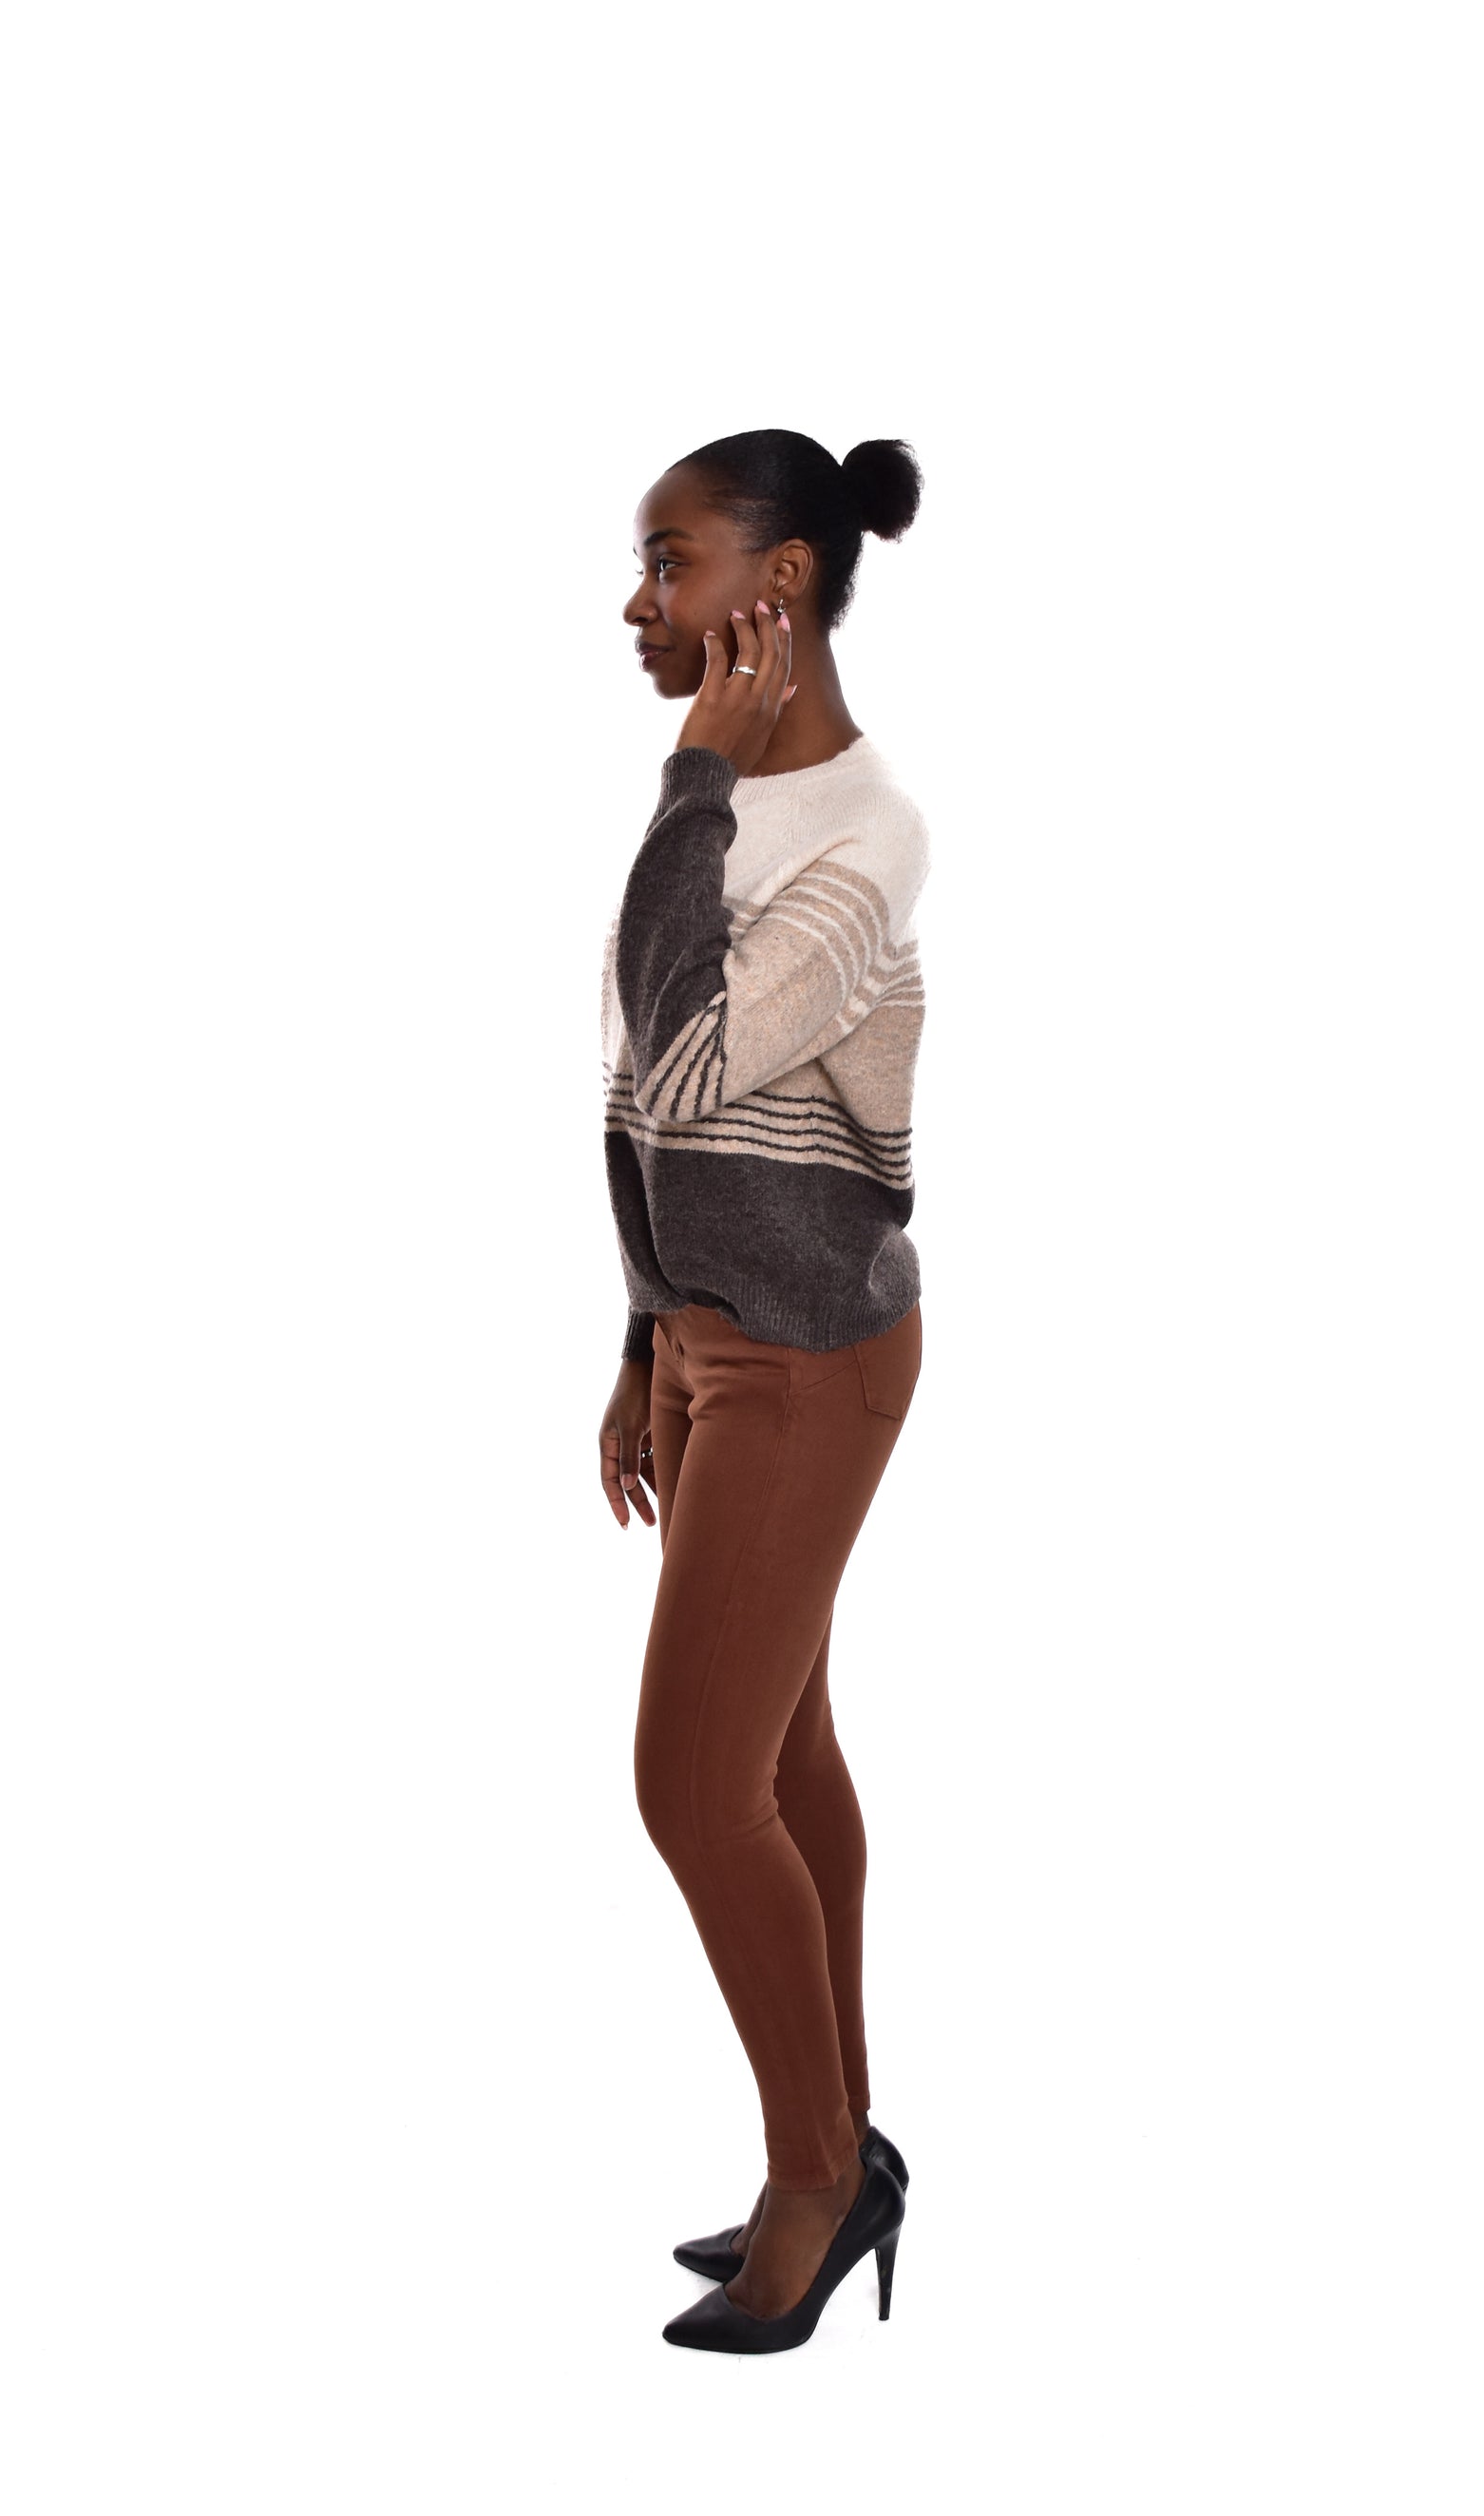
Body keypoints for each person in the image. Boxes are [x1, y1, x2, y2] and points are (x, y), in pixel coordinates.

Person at [596, 429, 932, 2354]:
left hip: (808, 1354)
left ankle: (818, 2173)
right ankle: (838, 2136)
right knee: (780, 1764)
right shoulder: (726, 807)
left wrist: (695, 778)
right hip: (720, 1339)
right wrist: (645, 1331)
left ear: (777, 583)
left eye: (672, 561)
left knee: (689, 1784)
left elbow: (690, 1058)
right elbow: (641, 1096)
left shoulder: (859, 833)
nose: (636, 604)